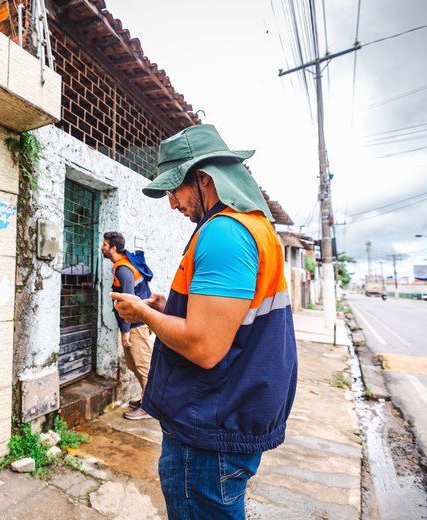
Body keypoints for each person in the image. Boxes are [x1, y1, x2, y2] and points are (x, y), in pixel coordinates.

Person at [110, 124, 298, 519]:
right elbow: (229, 319)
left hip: (210, 423)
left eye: (175, 189)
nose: (173, 203)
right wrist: (168, 309)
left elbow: (204, 346)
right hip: (225, 413)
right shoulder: (253, 227)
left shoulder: (224, 233)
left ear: (204, 179)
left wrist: (143, 312)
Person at [101, 231, 154, 420]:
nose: (102, 248)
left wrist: (125, 331)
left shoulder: (123, 268)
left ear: (113, 248)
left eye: (105, 245)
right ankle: (146, 399)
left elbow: (129, 302)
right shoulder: (122, 265)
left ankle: (149, 407)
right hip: (134, 325)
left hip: (136, 325)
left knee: (143, 366)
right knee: (135, 365)